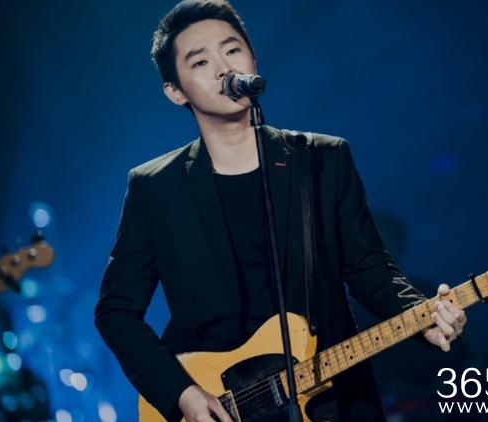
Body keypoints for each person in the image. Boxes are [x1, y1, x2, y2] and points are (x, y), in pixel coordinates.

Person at [94, 1, 467, 421]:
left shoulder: (322, 159)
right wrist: (181, 394)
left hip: (331, 398)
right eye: (200, 61)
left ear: (252, 59)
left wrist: (421, 316)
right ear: (175, 91)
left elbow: (369, 269)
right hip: (221, 404)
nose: (223, 67)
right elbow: (116, 311)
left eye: (232, 50)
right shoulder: (155, 188)